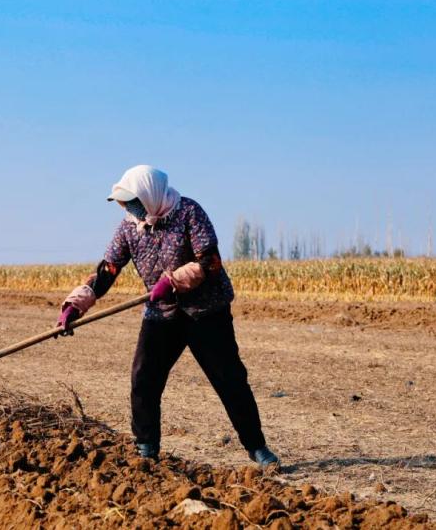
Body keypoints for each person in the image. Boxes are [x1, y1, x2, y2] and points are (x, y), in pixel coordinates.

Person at [57, 165, 278, 466]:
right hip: (162, 314)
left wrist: (173, 281)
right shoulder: (129, 227)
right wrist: (75, 304)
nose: (131, 208)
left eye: (134, 201)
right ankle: (146, 448)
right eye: (126, 203)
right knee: (144, 378)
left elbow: (210, 262)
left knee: (229, 379)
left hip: (206, 311)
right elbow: (107, 270)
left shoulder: (188, 212)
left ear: (150, 194)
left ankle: (257, 446)